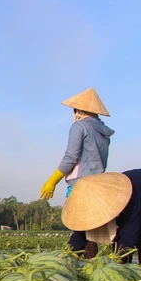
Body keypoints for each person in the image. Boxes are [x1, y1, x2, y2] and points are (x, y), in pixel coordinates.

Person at [61, 168, 141, 276]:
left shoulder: (128, 196)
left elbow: (130, 239)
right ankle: (130, 280)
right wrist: (69, 256)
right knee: (118, 245)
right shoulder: (96, 201)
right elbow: (81, 232)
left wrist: (115, 266)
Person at [40, 87, 115, 258]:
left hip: (81, 184)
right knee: (90, 231)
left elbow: (71, 157)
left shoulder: (79, 126)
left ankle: (69, 262)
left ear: (78, 110)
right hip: (99, 183)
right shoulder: (103, 132)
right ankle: (89, 269)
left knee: (80, 228)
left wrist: (53, 180)